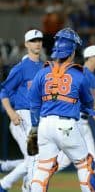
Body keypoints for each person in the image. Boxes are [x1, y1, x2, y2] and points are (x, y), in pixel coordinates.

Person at [28, 27, 95, 192]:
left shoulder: (42, 72)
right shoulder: (79, 75)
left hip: (44, 125)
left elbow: (34, 103)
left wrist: (34, 128)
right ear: (72, 51)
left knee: (43, 169)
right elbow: (88, 103)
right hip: (66, 125)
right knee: (85, 165)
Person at [0, 29, 44, 192]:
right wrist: (11, 112)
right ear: (26, 44)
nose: (37, 43)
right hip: (22, 116)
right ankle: (12, 185)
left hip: (38, 118)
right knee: (35, 157)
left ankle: (9, 175)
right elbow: (3, 91)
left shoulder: (44, 67)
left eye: (39, 39)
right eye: (33, 40)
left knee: (36, 158)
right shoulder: (21, 68)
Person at [57, 45, 95, 171]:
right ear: (90, 57)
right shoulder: (80, 74)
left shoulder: (93, 78)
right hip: (74, 121)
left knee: (91, 159)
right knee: (62, 161)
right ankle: (34, 177)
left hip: (83, 123)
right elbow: (81, 101)